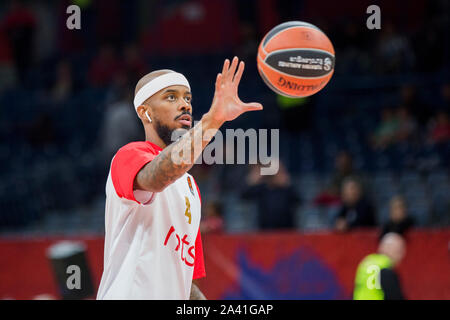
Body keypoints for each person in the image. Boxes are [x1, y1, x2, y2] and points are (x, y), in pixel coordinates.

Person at [96, 57, 263, 299]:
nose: (185, 105)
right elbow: (158, 177)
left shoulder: (190, 186)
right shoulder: (129, 156)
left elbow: (185, 282)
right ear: (145, 112)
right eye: (171, 97)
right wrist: (213, 120)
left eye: (187, 98)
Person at [241, 161, 300, 230]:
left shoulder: (286, 189)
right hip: (265, 231)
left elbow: (298, 201)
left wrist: (287, 184)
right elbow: (243, 195)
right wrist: (253, 180)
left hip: (287, 230)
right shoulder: (262, 189)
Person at [354, 232, 406, 300]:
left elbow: (356, 290)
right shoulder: (385, 270)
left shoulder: (366, 263)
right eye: (399, 251)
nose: (402, 255)